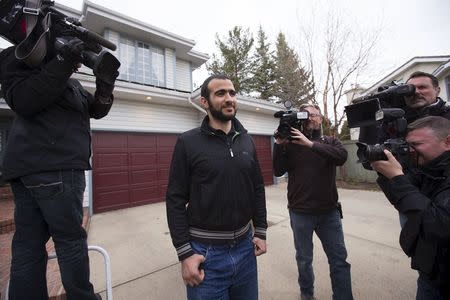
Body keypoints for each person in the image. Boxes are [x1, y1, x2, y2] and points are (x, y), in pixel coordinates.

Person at [0, 38, 116, 299]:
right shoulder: (18, 61)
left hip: (40, 172)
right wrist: (62, 61)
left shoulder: (70, 85)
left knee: (28, 246)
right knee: (70, 242)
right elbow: (24, 100)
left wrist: (105, 85)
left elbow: (96, 109)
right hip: (56, 169)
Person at [166, 74, 267, 300]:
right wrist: (185, 253)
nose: (229, 98)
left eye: (232, 93)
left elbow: (257, 187)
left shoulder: (246, 141)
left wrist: (260, 230)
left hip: (245, 250)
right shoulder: (187, 142)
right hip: (205, 254)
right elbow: (175, 199)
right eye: (220, 93)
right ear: (205, 102)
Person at [273, 104, 353, 300]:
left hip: (329, 213)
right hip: (300, 212)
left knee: (339, 260)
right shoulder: (290, 144)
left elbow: (342, 157)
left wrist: (309, 144)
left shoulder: (330, 141)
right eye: (305, 115)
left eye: (314, 115)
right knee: (304, 260)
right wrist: (279, 143)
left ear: (320, 118)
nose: (310, 118)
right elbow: (277, 171)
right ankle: (307, 294)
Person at [371, 116, 450, 300]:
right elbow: (404, 203)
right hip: (431, 272)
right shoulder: (430, 167)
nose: (410, 151)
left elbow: (440, 225)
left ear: (447, 142)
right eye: (408, 145)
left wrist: (398, 177)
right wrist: (386, 175)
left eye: (417, 144)